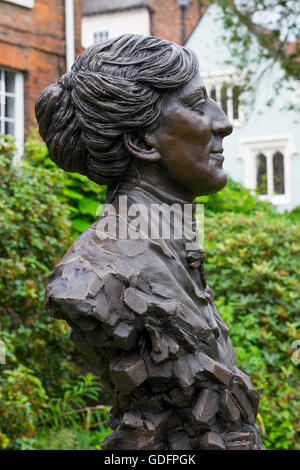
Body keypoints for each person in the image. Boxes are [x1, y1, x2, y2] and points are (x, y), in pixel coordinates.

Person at [36, 34, 264, 450]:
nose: (224, 122)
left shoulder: (173, 238)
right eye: (197, 105)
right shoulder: (95, 276)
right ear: (142, 142)